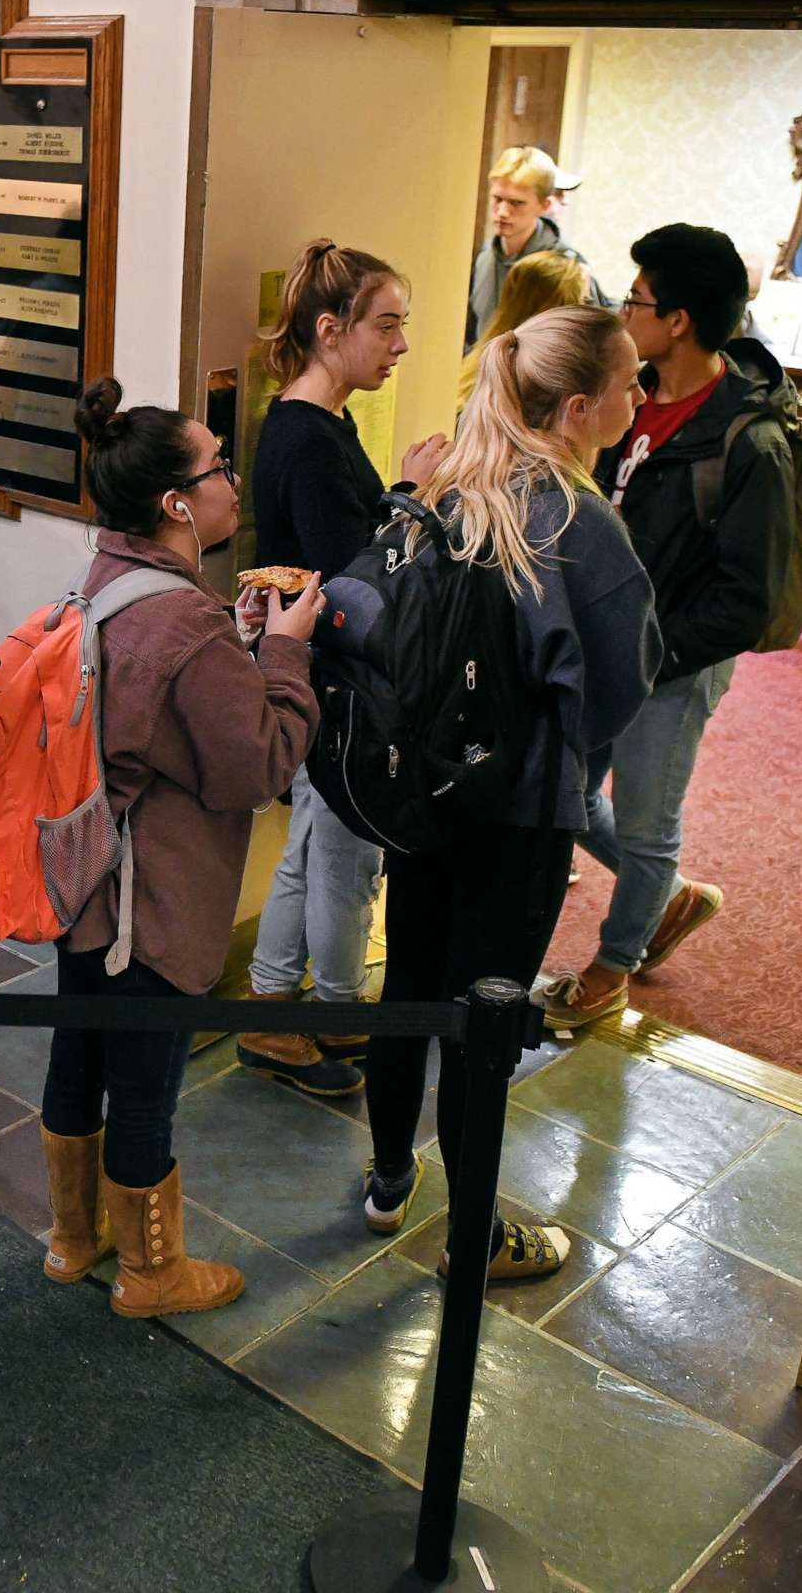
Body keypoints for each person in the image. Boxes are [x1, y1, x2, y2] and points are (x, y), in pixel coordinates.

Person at [355, 306, 662, 1282]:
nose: (638, 398)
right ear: (579, 407)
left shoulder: (451, 487)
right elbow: (623, 676)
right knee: (484, 1023)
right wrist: (571, 760)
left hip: (426, 795)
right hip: (521, 809)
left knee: (407, 983)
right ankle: (474, 1233)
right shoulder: (580, 521)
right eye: (628, 384)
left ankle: (386, 1177)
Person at [39, 378, 322, 1320]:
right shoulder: (188, 621)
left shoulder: (115, 578)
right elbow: (256, 765)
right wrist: (285, 651)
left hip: (88, 881)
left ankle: (75, 1239)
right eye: (218, 469)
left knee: (79, 1054)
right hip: (152, 898)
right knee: (148, 1083)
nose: (232, 483)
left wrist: (235, 650)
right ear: (175, 503)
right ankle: (154, 1273)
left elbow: (159, 709)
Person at [542, 224, 799, 1030]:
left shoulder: (746, 438)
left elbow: (747, 600)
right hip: (604, 643)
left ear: (678, 319)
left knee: (649, 821)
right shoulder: (632, 397)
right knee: (568, 792)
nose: (627, 311)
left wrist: (655, 652)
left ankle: (614, 964)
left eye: (638, 299)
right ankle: (671, 895)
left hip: (675, 661)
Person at [240, 242, 443, 1098]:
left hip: (319, 674)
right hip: (333, 679)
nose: (400, 345)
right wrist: (411, 498)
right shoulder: (309, 437)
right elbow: (349, 584)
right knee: (344, 859)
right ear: (332, 330)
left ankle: (272, 1011)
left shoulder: (313, 420)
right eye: (387, 325)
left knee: (316, 850)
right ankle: (326, 1012)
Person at [467, 146, 606, 350]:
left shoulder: (567, 267)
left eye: (516, 203)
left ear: (545, 206)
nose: (503, 212)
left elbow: (586, 343)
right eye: (497, 199)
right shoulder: (483, 257)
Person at [457, 249, 590, 413]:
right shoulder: (541, 381)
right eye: (584, 300)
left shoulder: (481, 363)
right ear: (560, 310)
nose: (586, 310)